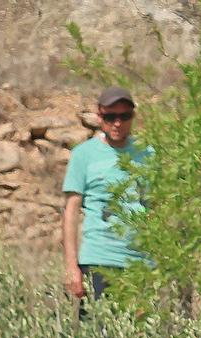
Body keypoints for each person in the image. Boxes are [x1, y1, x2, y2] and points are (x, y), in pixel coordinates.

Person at [61, 87, 151, 316]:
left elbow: (156, 209)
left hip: (139, 264)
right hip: (98, 259)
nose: (117, 123)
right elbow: (71, 211)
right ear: (100, 116)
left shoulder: (148, 154)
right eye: (111, 117)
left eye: (124, 117)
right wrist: (72, 267)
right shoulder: (83, 155)